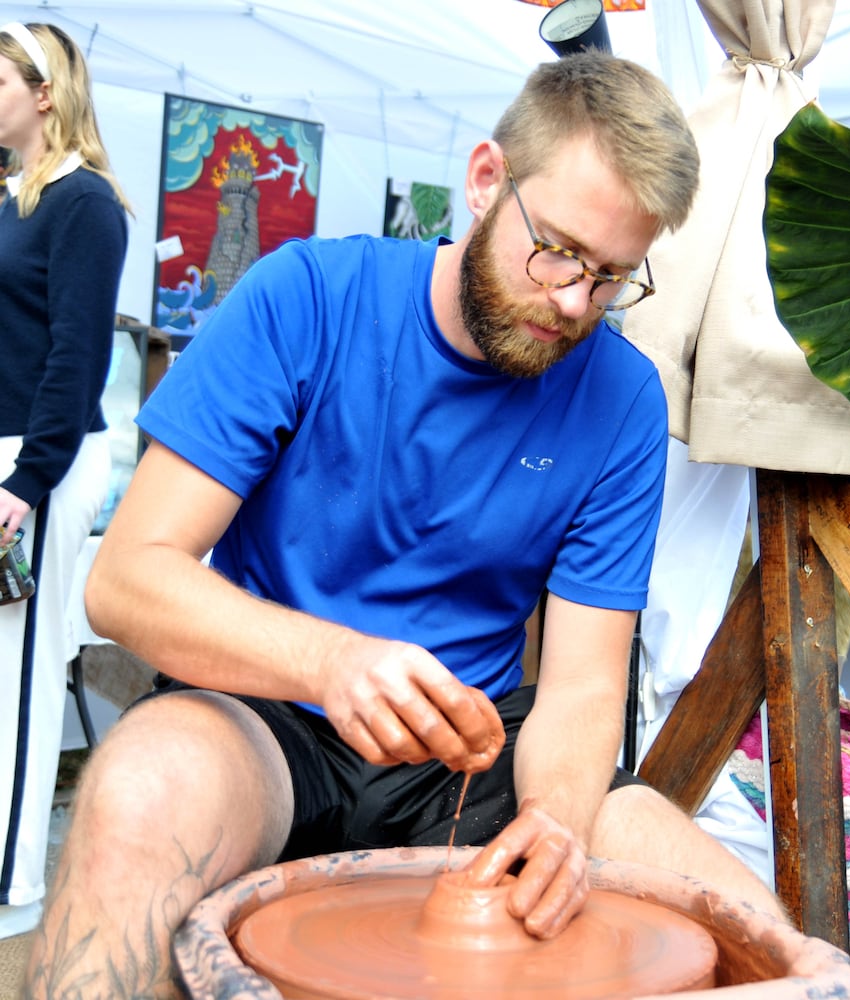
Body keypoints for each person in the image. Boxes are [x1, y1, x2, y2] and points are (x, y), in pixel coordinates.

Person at [25, 50, 785, 997]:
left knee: (744, 921)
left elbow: (585, 687)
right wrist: (333, 662)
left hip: (469, 751)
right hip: (267, 714)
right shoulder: (304, 297)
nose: (571, 303)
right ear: (483, 181)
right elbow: (128, 578)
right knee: (142, 792)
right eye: (554, 249)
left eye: (610, 278)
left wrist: (553, 819)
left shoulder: (622, 399)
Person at [0, 22, 129, 941]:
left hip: (37, 461)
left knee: (21, 678)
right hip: (9, 452)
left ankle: (16, 893)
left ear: (45, 92)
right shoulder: (10, 196)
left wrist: (24, 483)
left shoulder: (84, 204)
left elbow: (76, 358)